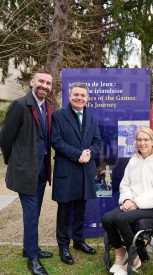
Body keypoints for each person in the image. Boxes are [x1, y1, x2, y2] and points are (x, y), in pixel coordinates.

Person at [102, 127, 153, 275]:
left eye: (146, 139)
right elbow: (125, 185)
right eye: (139, 140)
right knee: (107, 219)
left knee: (121, 218)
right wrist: (127, 199)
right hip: (134, 204)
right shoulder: (133, 160)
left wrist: (137, 202)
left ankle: (134, 258)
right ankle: (119, 251)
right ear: (135, 142)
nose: (142, 143)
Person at [0, 69, 53, 275]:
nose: (44, 86)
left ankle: (29, 248)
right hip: (25, 172)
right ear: (32, 82)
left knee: (35, 214)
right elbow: (4, 138)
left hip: (40, 172)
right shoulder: (19, 105)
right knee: (31, 216)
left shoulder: (47, 107)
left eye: (48, 83)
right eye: (41, 81)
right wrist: (14, 161)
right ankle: (33, 258)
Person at [51, 82, 102, 265]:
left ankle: (79, 242)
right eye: (76, 95)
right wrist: (77, 154)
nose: (79, 98)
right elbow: (56, 141)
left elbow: (98, 142)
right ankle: (63, 246)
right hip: (67, 170)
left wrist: (89, 153)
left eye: (82, 95)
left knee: (81, 209)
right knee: (64, 210)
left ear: (87, 99)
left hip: (85, 171)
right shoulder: (58, 115)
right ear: (70, 96)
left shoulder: (92, 118)